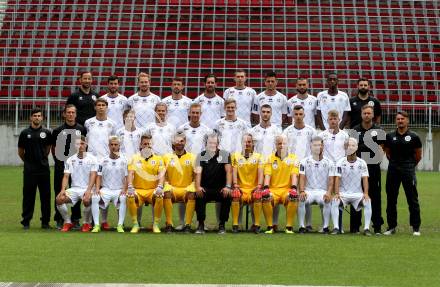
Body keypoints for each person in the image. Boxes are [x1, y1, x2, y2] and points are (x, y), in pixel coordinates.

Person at [384, 111, 422, 236]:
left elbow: (418, 156)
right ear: (396, 121)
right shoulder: (390, 136)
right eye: (398, 119)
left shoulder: (414, 136)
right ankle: (391, 227)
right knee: (391, 199)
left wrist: (409, 165)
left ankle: (415, 228)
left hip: (408, 170)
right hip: (393, 169)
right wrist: (395, 163)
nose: (400, 121)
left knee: (412, 199)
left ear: (407, 121)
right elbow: (387, 152)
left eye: (403, 119)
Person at [51, 104, 86, 229]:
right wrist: (59, 161)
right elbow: (53, 148)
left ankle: (76, 219)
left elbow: (84, 146)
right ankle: (60, 218)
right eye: (68, 112)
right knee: (59, 191)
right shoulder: (57, 130)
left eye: (73, 112)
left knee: (76, 190)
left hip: (78, 167)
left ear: (76, 114)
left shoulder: (81, 129)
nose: (71, 114)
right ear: (64, 114)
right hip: (61, 166)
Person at [352, 105, 386, 234]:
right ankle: (355, 226)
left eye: (369, 113)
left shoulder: (379, 130)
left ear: (373, 115)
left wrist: (377, 159)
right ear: (361, 114)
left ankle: (377, 226)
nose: (367, 115)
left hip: (373, 168)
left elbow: (382, 148)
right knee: (356, 196)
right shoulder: (355, 130)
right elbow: (351, 149)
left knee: (375, 197)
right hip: (357, 170)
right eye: (364, 113)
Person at [18, 108, 52, 229]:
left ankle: (45, 222)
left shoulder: (47, 133)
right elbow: (21, 152)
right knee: (28, 196)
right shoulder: (24, 133)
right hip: (29, 171)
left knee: (45, 196)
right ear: (31, 118)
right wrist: (28, 162)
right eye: (35, 116)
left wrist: (42, 159)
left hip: (43, 170)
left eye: (39, 116)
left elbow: (48, 149)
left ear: (42, 118)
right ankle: (26, 221)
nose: (37, 117)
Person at [55, 136, 98, 232]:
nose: (80, 146)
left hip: (88, 188)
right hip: (74, 189)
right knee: (59, 199)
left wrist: (89, 190)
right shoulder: (70, 159)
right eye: (78, 144)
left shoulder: (93, 159)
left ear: (86, 144)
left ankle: (86, 223)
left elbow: (93, 175)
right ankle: (67, 222)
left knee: (87, 200)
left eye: (82, 143)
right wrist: (62, 190)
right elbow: (66, 176)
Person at [331, 138, 372, 236]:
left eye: (353, 145)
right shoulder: (340, 162)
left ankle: (366, 228)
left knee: (367, 201)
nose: (351, 147)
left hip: (357, 194)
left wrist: (366, 193)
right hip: (343, 194)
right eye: (349, 146)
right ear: (345, 148)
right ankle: (336, 227)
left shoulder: (362, 163)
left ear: (357, 147)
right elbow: (337, 178)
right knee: (335, 201)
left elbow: (365, 179)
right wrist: (337, 193)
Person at [126, 134, 165, 233]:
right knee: (130, 195)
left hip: (152, 190)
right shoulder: (134, 158)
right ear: (141, 145)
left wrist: (160, 186)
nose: (147, 146)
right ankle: (136, 224)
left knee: (159, 195)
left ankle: (155, 224)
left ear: (152, 144)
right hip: (138, 190)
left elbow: (161, 174)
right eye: (145, 144)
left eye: (149, 144)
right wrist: (130, 186)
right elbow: (130, 173)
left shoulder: (158, 159)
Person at [194, 133, 232, 234]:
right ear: (206, 144)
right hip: (206, 188)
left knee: (227, 195)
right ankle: (201, 224)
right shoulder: (201, 155)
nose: (212, 145)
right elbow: (198, 172)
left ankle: (222, 224)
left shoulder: (225, 154)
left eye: (214, 143)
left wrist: (228, 186)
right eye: (210, 143)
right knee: (198, 194)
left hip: (220, 188)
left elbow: (229, 171)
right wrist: (198, 187)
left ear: (218, 144)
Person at [261, 135, 299, 234]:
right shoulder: (270, 158)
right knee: (265, 197)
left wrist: (294, 188)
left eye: (284, 143)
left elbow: (294, 175)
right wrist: (266, 188)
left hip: (286, 190)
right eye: (279, 143)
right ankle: (270, 227)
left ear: (287, 145)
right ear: (276, 145)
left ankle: (289, 227)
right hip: (273, 190)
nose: (282, 146)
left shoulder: (294, 158)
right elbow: (267, 174)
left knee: (293, 197)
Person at [90, 136, 128, 233]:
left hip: (119, 189)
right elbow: (99, 176)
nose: (113, 146)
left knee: (123, 197)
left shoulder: (124, 160)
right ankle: (96, 225)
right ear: (108, 146)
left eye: (116, 145)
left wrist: (124, 189)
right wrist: (97, 188)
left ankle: (120, 225)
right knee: (95, 196)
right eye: (111, 144)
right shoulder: (103, 160)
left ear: (119, 146)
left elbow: (127, 177)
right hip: (106, 189)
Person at [297, 136, 333, 233]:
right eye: (315, 145)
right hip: (308, 191)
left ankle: (325, 227)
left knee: (327, 200)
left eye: (320, 145)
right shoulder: (304, 161)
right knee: (301, 198)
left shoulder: (329, 162)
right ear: (311, 147)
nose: (318, 147)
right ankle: (302, 226)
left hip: (322, 192)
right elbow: (302, 177)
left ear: (323, 147)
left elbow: (331, 180)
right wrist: (302, 191)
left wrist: (329, 192)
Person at [162, 133, 197, 233]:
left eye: (181, 141)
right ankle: (169, 224)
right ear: (173, 143)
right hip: (173, 189)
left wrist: (193, 185)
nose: (179, 143)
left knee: (192, 194)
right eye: (177, 141)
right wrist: (166, 184)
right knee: (166, 192)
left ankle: (187, 225)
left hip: (187, 188)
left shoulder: (192, 157)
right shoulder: (166, 157)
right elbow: (162, 175)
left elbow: (196, 175)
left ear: (185, 142)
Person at [231, 133, 264, 233]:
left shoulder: (258, 156)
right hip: (241, 188)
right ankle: (235, 224)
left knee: (258, 195)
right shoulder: (235, 156)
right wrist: (235, 185)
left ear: (252, 143)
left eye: (249, 142)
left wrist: (259, 186)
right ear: (241, 143)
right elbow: (234, 172)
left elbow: (261, 172)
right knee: (235, 195)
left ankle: (256, 225)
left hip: (253, 188)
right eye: (245, 142)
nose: (247, 144)